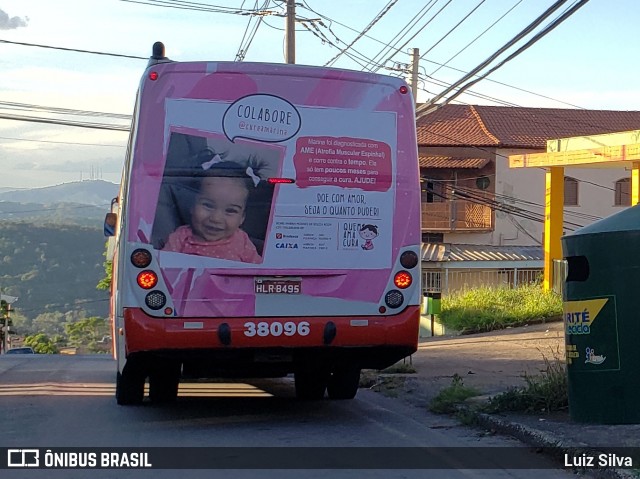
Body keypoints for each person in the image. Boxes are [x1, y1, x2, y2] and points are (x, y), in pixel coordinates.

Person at [162, 161, 262, 263]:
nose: (216, 218)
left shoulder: (242, 241)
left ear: (242, 218)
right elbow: (163, 266)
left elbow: (258, 272)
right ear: (192, 205)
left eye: (231, 210)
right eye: (208, 205)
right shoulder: (180, 237)